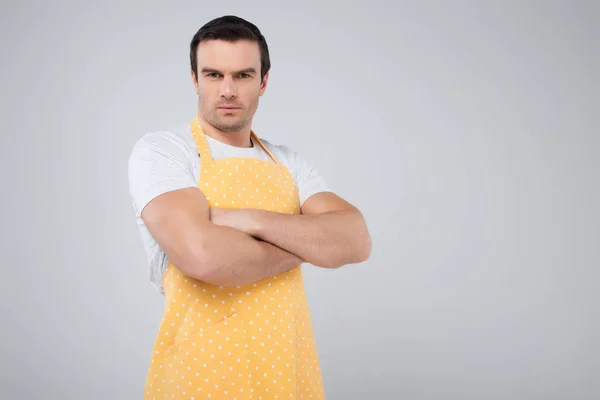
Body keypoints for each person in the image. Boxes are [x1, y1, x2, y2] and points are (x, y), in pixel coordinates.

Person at [127, 15, 372, 399]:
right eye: (213, 75)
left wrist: (247, 220)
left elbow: (356, 240)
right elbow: (203, 257)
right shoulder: (165, 152)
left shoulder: (288, 162)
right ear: (194, 79)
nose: (227, 90)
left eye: (242, 75)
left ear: (263, 82)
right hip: (199, 375)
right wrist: (307, 241)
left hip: (286, 370)